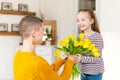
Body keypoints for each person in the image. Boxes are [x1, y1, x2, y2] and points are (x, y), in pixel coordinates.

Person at [13, 16, 77, 80]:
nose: (44, 34)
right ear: (34, 33)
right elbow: (42, 69)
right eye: (42, 31)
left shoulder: (18, 56)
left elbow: (45, 73)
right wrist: (69, 62)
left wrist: (60, 61)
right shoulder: (39, 62)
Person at [75, 9, 104, 80]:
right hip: (83, 72)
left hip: (95, 73)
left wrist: (81, 58)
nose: (80, 22)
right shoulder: (80, 37)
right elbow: (79, 53)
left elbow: (97, 58)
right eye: (78, 20)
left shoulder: (96, 36)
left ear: (91, 21)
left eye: (83, 20)